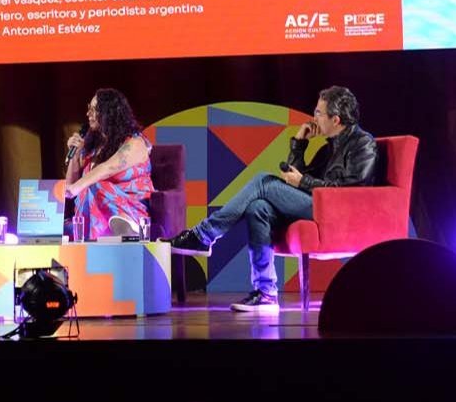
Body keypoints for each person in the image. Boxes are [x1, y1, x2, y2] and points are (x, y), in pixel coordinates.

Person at [171, 86, 376, 311]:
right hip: (318, 204)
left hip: (337, 212)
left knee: (262, 182)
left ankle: (203, 235)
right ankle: (266, 292)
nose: (313, 117)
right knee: (258, 207)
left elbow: (351, 188)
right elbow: (296, 177)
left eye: (318, 113)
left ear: (335, 119)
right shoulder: (330, 147)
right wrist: (300, 143)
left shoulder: (363, 143)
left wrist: (303, 182)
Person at [62, 88, 154, 239]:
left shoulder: (135, 143)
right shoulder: (92, 148)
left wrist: (77, 187)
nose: (88, 114)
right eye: (88, 109)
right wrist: (75, 155)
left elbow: (108, 168)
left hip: (129, 211)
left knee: (96, 183)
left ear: (109, 113)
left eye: (93, 110)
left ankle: (131, 230)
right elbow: (70, 187)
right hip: (89, 218)